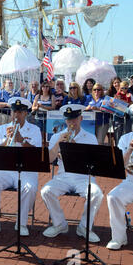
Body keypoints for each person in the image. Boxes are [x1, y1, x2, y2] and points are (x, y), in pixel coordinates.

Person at [40, 104, 104, 243]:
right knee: (46, 191)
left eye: (74, 119)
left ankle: (84, 227)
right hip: (63, 176)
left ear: (81, 118)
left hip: (84, 176)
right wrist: (57, 144)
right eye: (69, 120)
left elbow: (93, 163)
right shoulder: (57, 136)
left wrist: (74, 147)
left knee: (97, 193)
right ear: (65, 121)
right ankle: (60, 224)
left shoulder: (90, 137)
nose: (71, 123)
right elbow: (50, 159)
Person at [0, 97, 42, 237]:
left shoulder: (34, 130)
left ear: (26, 113)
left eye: (20, 112)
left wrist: (22, 141)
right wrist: (6, 140)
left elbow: (37, 152)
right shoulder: (2, 129)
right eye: (14, 111)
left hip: (27, 169)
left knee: (30, 188)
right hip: (6, 169)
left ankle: (21, 223)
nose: (16, 115)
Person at [106, 102, 133, 250]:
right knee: (113, 197)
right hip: (131, 181)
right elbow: (119, 166)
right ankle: (118, 238)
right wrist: (129, 151)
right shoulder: (126, 138)